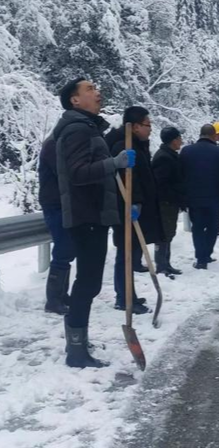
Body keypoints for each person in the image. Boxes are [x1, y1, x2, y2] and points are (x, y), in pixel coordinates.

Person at [53, 78, 135, 368]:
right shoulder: (77, 129)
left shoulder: (86, 128)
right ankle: (76, 350)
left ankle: (78, 340)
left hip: (93, 214)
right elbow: (77, 173)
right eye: (89, 89)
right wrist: (115, 162)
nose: (97, 92)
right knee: (87, 283)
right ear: (75, 100)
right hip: (87, 215)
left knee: (88, 283)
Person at [108, 107, 163, 314]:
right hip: (125, 210)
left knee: (128, 253)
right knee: (125, 254)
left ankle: (126, 294)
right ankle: (124, 297)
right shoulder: (123, 146)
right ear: (136, 126)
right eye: (148, 125)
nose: (150, 129)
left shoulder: (138, 145)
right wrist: (134, 202)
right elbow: (124, 180)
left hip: (134, 209)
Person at [180, 124, 219, 269]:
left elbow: (180, 175)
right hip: (214, 198)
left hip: (194, 198)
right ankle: (207, 254)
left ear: (200, 134)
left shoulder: (186, 151)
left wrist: (183, 196)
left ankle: (200, 258)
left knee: (197, 228)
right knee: (212, 227)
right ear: (213, 136)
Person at [38, 135, 76, 315]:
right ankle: (53, 299)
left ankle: (61, 294)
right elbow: (64, 173)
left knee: (67, 250)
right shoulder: (53, 145)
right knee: (63, 250)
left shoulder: (58, 143)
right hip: (54, 204)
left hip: (62, 203)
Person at [152, 126, 186, 276]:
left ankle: (166, 263)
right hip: (165, 203)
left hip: (170, 202)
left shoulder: (170, 155)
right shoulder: (164, 158)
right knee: (164, 235)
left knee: (168, 233)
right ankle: (161, 265)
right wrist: (173, 196)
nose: (181, 141)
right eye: (179, 138)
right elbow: (161, 183)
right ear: (173, 141)